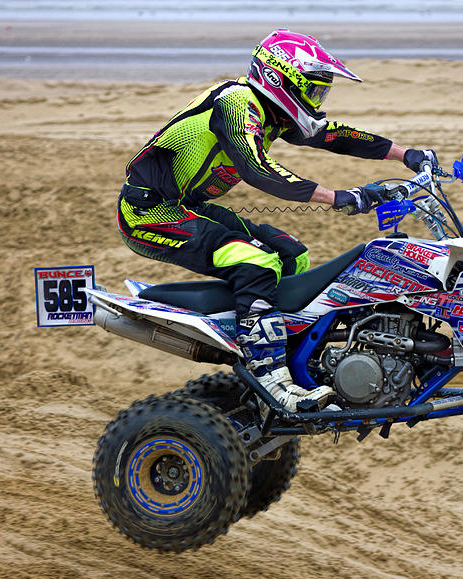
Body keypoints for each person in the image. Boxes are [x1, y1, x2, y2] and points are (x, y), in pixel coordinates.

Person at [117, 29, 439, 411]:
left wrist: (407, 155)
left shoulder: (273, 112)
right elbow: (258, 170)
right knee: (254, 261)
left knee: (290, 254)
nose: (318, 99)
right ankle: (270, 375)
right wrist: (339, 197)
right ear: (280, 79)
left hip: (189, 207)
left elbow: (335, 136)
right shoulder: (237, 101)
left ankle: (284, 353)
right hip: (149, 211)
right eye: (315, 90)